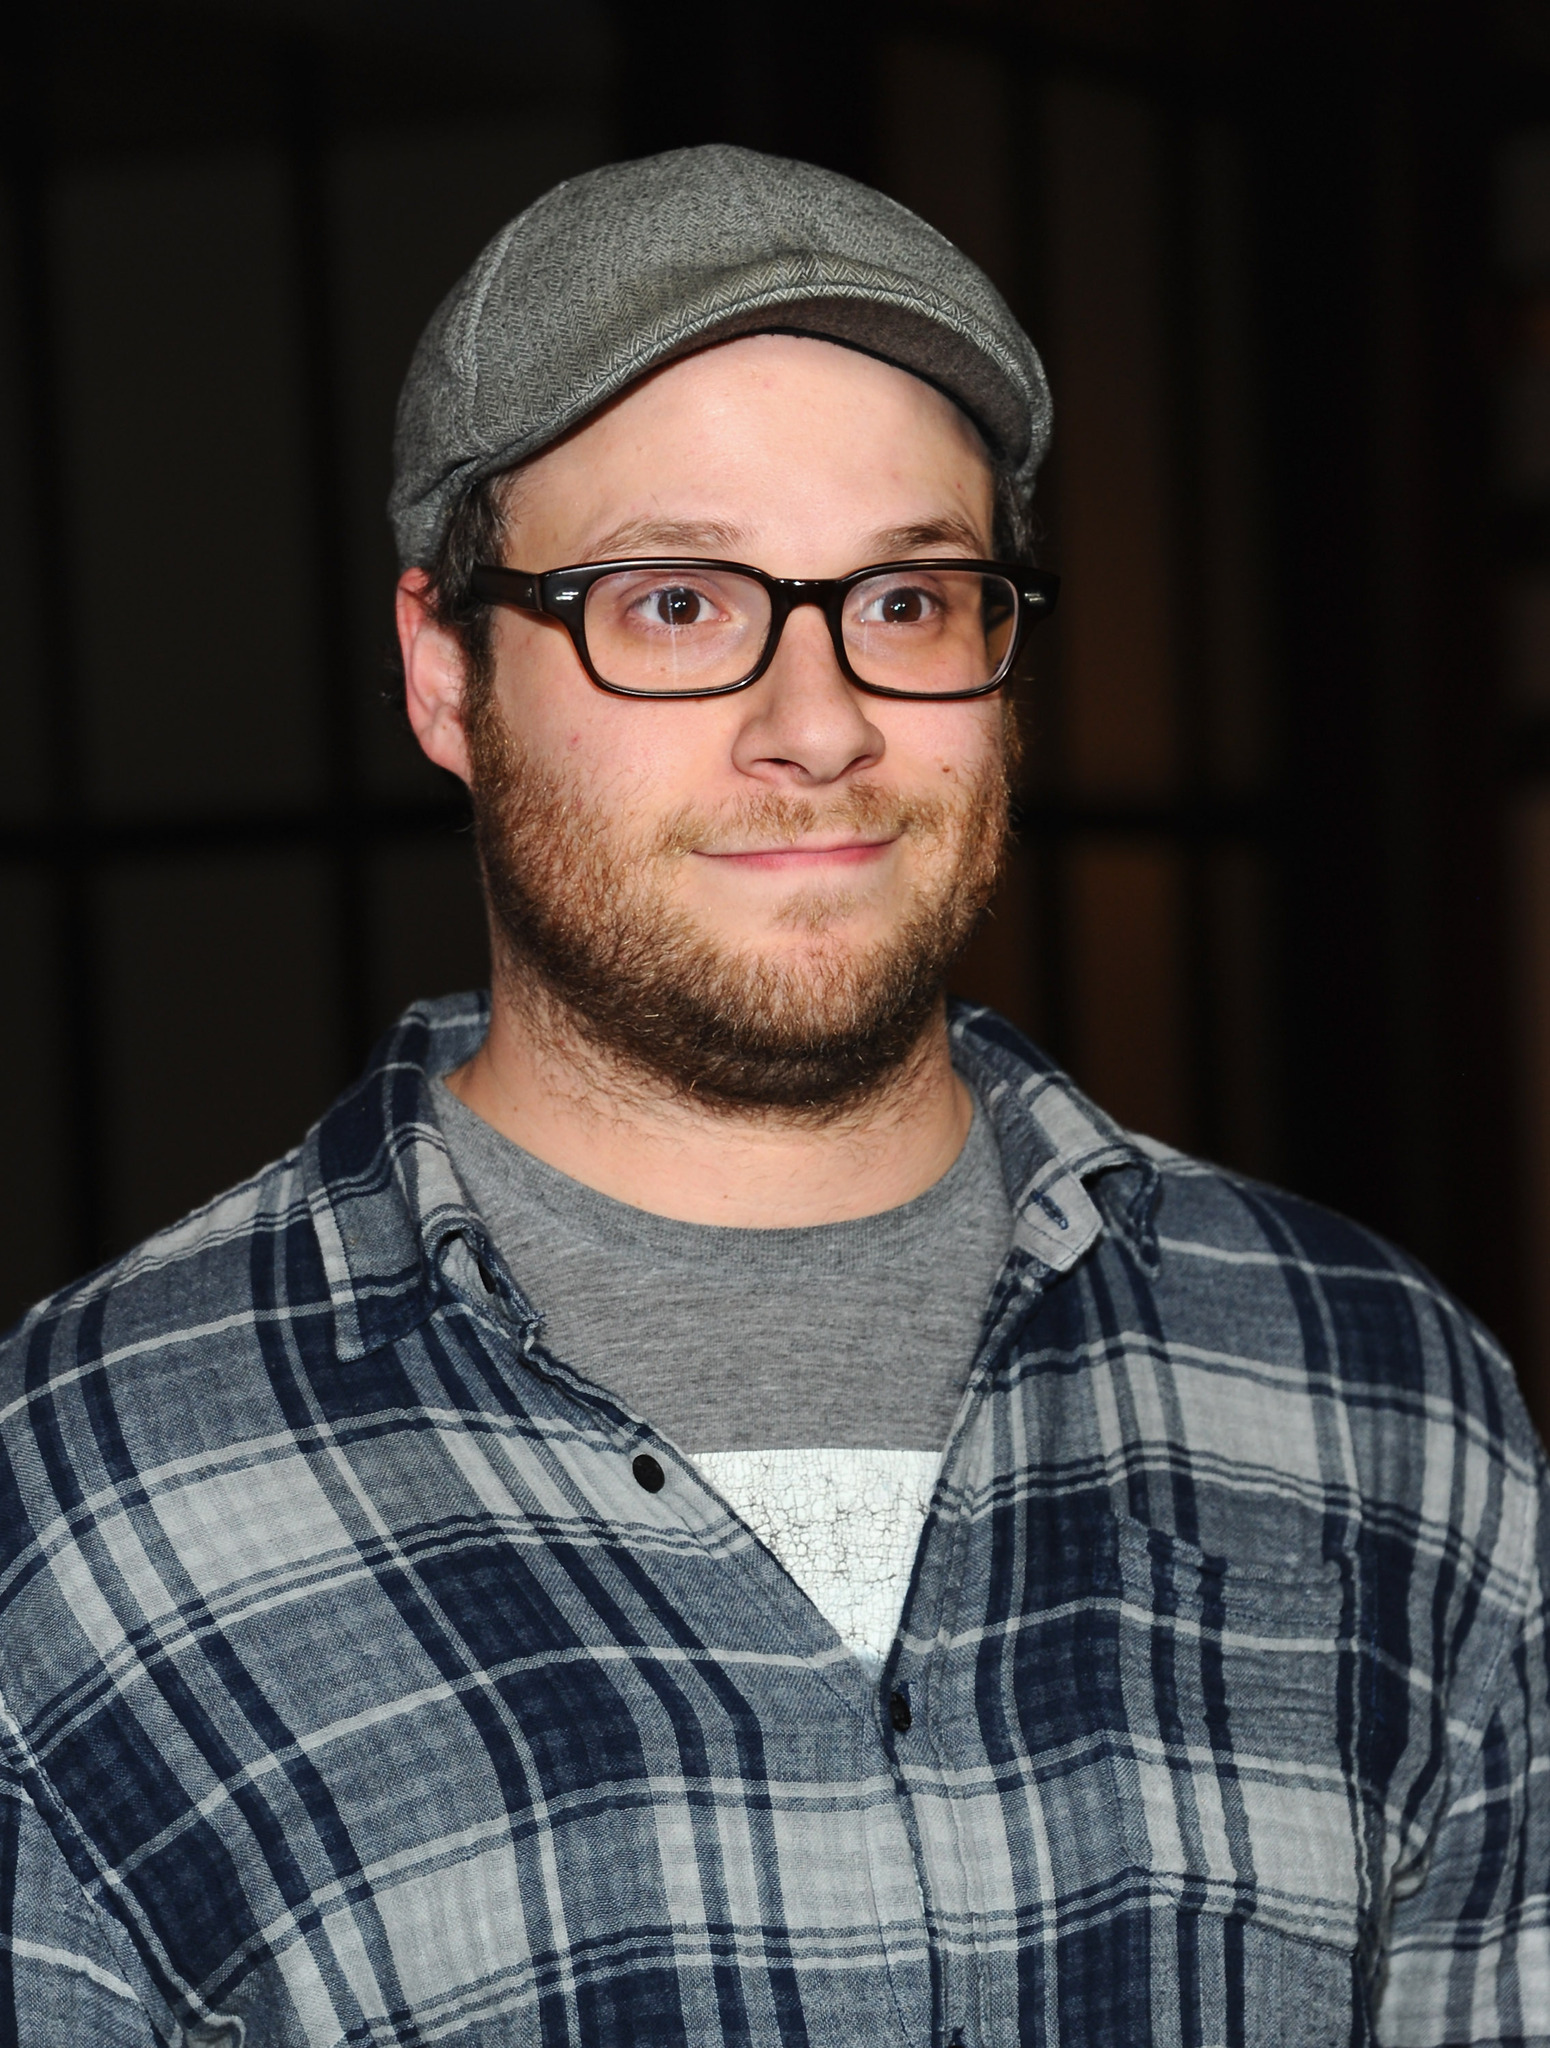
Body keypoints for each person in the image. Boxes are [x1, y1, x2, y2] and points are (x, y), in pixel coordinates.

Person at [0, 143, 1544, 2048]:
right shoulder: (86, 1493)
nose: (817, 725)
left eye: (905, 600)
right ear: (443, 674)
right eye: (672, 603)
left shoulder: (1376, 1387)